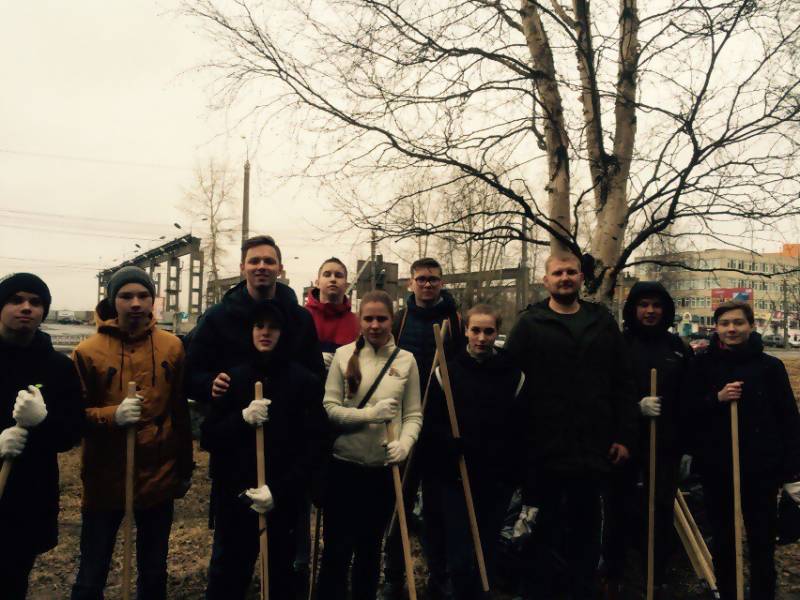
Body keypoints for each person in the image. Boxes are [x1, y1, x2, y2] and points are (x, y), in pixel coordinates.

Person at [505, 253, 638, 599]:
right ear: (546, 280)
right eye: (557, 273)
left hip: (591, 449)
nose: (564, 278)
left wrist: (624, 436)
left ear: (581, 278)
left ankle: (581, 590)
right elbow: (506, 382)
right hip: (543, 449)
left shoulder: (601, 322)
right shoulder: (530, 324)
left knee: (585, 529)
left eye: (570, 272)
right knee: (541, 528)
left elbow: (623, 382)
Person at [71, 266, 194, 600]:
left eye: (143, 295)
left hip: (158, 475)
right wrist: (113, 415)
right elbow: (74, 416)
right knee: (92, 571)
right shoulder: (87, 352)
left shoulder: (172, 347)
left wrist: (184, 467)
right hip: (105, 476)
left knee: (153, 570)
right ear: (113, 301)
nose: (136, 303)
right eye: (126, 296)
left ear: (153, 300)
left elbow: (179, 411)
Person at [201, 301, 329, 599]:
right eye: (259, 326)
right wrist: (241, 418)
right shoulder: (233, 379)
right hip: (238, 499)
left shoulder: (304, 383)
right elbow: (209, 436)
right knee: (228, 577)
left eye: (273, 327)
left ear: (285, 333)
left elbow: (316, 444)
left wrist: (279, 491)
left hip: (282, 500)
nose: (265, 332)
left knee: (282, 579)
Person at [687, 301, 800, 600]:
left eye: (738, 322)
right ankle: (729, 592)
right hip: (717, 468)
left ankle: (763, 593)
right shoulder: (701, 365)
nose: (731, 329)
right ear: (716, 327)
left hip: (761, 470)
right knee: (724, 540)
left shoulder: (770, 367)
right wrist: (717, 398)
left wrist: (792, 471)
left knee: (762, 540)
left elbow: (789, 419)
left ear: (751, 325)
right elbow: (687, 411)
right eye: (725, 323)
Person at [317, 290, 422, 600]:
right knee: (336, 550)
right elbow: (330, 409)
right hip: (343, 468)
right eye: (369, 318)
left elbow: (413, 414)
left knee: (369, 549)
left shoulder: (406, 361)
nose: (375, 325)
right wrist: (370, 415)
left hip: (382, 472)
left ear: (392, 321)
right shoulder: (343, 356)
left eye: (382, 319)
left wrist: (405, 443)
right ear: (360, 320)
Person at [422, 303, 526, 600]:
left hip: (496, 477)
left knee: (487, 546)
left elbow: (520, 426)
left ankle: (482, 591)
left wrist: (511, 468)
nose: (481, 338)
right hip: (457, 476)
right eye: (475, 330)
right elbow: (431, 424)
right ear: (466, 331)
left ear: (497, 332)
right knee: (459, 552)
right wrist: (447, 443)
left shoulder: (513, 375)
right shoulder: (447, 374)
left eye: (488, 331)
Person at [602, 282, 693, 599]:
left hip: (665, 446)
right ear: (633, 309)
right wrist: (635, 408)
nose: (650, 311)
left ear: (665, 310)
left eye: (656, 305)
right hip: (624, 445)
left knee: (659, 511)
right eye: (644, 305)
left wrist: (686, 448)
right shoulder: (619, 345)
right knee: (619, 510)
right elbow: (603, 394)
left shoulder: (678, 349)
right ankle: (615, 577)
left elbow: (688, 400)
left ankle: (655, 578)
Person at [384, 257, 465, 600]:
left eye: (433, 279)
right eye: (421, 279)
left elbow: (463, 367)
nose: (427, 284)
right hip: (403, 423)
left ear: (442, 282)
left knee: (435, 507)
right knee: (398, 501)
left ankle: (438, 575)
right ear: (411, 283)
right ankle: (393, 575)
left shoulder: (456, 321)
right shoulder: (399, 320)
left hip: (439, 426)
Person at [0, 273, 83, 599]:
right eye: (16, 300)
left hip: (29, 495)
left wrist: (43, 421)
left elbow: (70, 434)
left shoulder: (57, 368)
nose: (26, 308)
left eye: (35, 302)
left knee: (13, 579)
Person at [187, 235, 325, 406]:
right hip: (231, 418)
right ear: (242, 268)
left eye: (269, 261)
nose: (261, 266)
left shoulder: (300, 319)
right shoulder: (216, 318)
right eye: (254, 261)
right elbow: (191, 374)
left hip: (288, 419)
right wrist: (209, 384)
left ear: (280, 269)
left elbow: (317, 376)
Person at [305, 257, 360, 370]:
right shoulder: (301, 317)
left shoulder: (357, 323)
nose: (333, 279)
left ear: (346, 285)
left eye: (338, 275)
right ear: (317, 283)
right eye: (327, 274)